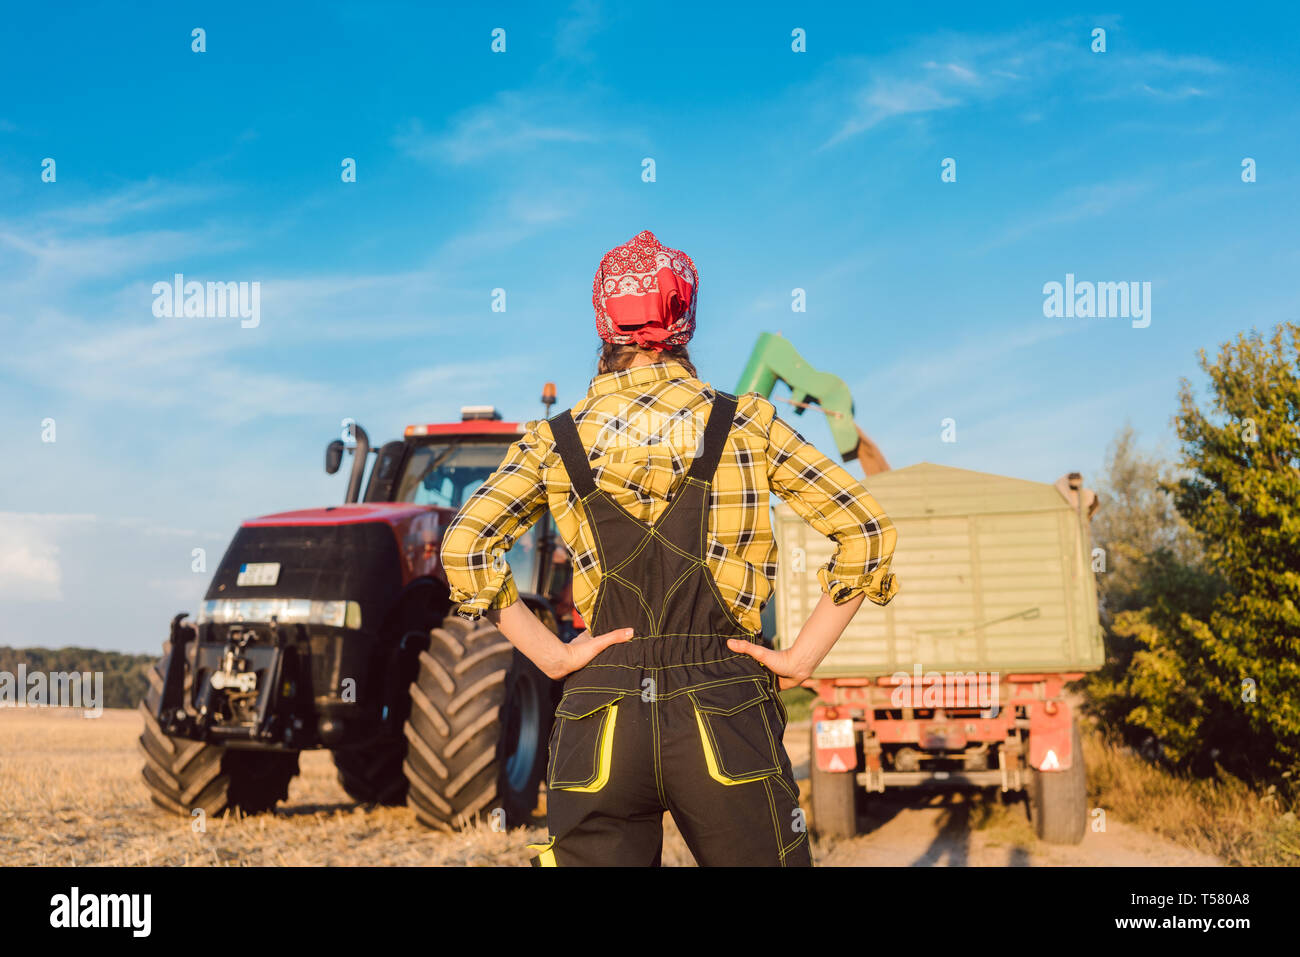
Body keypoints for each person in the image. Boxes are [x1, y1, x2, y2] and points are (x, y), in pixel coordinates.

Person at [441, 229, 899, 866]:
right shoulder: (748, 423)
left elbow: (466, 546)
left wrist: (550, 656)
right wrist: (800, 658)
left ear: (604, 324)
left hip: (601, 709)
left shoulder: (554, 440)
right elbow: (866, 532)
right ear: (685, 322)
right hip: (725, 701)